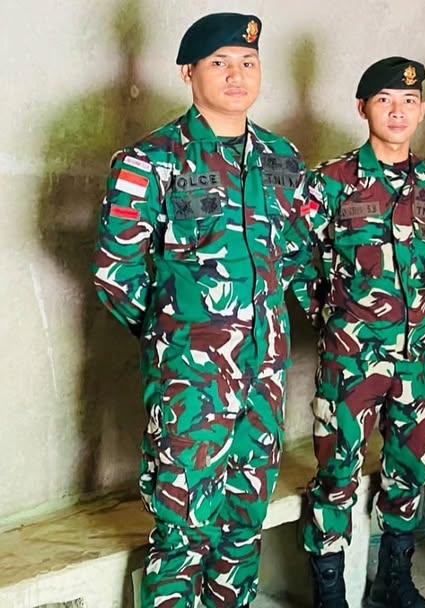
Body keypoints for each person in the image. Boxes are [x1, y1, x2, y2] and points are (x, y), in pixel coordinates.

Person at [90, 12, 313, 606]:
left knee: (244, 523)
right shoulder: (151, 159)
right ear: (188, 73)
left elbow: (294, 253)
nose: (237, 75)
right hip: (193, 383)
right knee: (183, 529)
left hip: (264, 376)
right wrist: (175, 334)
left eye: (247, 62)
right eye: (220, 62)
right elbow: (116, 272)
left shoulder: (282, 158)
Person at [297, 57, 425, 608]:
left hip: (416, 359)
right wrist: (332, 316)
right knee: (337, 474)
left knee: (408, 470)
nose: (397, 111)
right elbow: (296, 257)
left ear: (422, 111)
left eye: (408, 101)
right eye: (385, 100)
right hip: (351, 360)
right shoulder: (331, 180)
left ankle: (394, 582)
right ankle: (330, 594)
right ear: (363, 108)